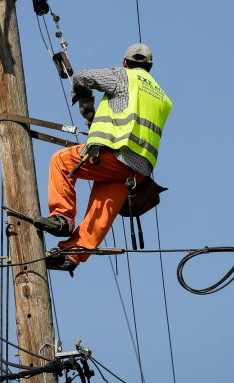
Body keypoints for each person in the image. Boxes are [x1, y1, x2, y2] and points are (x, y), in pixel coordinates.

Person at [34, 43, 172, 273]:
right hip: (137, 170)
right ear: (150, 66)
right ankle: (73, 254)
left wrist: (86, 103)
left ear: (125, 62)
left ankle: (62, 218)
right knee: (103, 208)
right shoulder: (163, 98)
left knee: (61, 161)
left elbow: (82, 78)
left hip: (116, 154)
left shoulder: (123, 75)